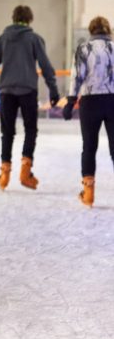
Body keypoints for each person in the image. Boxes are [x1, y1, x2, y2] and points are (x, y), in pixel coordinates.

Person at [0, 5, 60, 191]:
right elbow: (46, 66)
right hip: (28, 91)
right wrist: (53, 89)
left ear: (13, 18)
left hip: (7, 91)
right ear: (29, 19)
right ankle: (26, 171)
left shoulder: (2, 39)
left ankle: (4, 173)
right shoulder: (34, 39)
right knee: (30, 130)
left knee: (7, 132)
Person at [63, 16, 114, 207]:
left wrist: (70, 102)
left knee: (89, 147)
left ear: (91, 31)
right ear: (108, 30)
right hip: (113, 100)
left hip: (90, 102)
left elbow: (76, 77)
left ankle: (88, 192)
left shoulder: (83, 49)